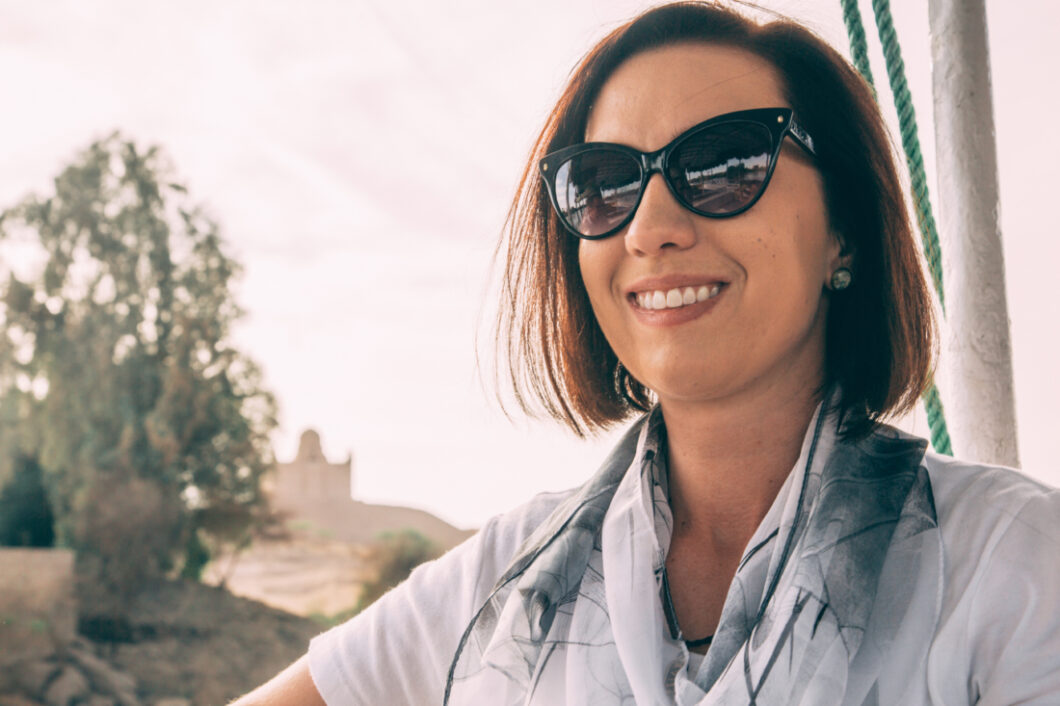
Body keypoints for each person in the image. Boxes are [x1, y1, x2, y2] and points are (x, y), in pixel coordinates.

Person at [233, 2, 1060, 704]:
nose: (650, 226)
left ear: (844, 230)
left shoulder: (1010, 566)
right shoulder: (502, 580)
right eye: (603, 182)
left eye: (728, 163)